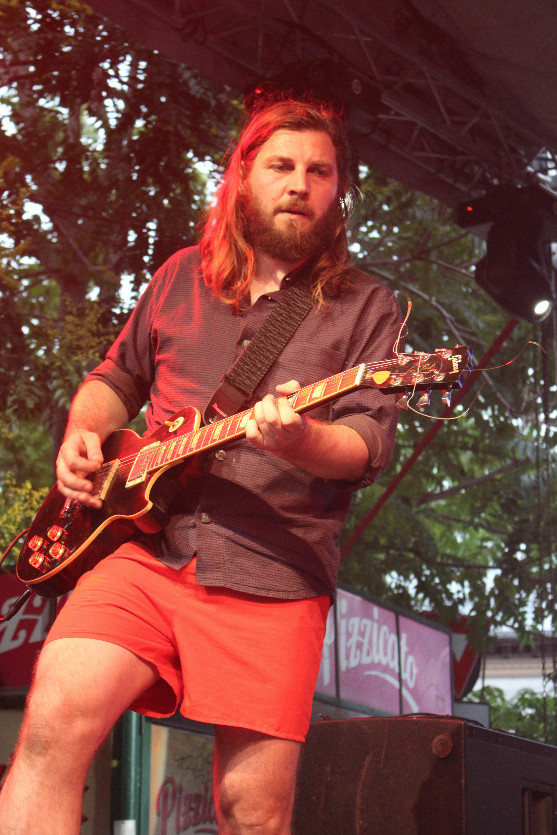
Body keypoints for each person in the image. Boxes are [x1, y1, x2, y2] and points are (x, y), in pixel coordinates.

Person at [0, 97, 402, 834]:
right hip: (145, 550)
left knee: (250, 810)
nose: (299, 184)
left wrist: (299, 440)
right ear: (243, 175)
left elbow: (367, 445)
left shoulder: (367, 306)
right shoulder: (181, 276)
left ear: (338, 189)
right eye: (281, 166)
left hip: (271, 571)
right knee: (52, 727)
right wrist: (82, 433)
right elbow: (114, 380)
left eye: (319, 171)